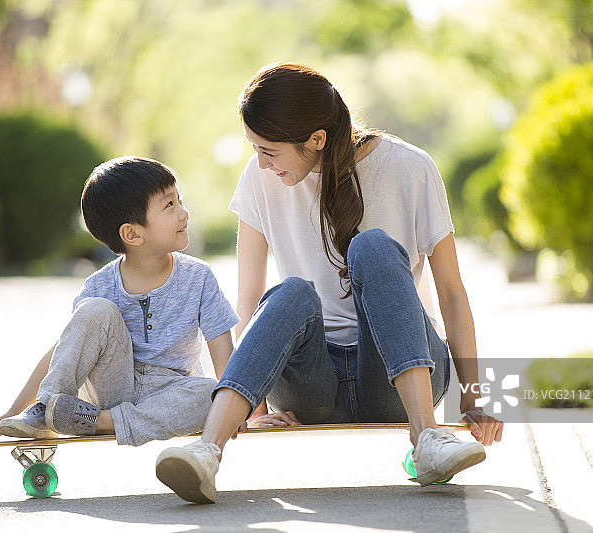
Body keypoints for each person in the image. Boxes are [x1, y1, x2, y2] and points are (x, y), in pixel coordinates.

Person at [154, 63, 504, 503]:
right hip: (309, 385)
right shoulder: (260, 179)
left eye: (270, 151)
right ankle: (207, 452)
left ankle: (427, 438)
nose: (261, 163)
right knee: (291, 292)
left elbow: (452, 295)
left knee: (373, 247)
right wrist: (255, 407)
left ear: (316, 139)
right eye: (255, 148)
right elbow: (249, 301)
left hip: (397, 382)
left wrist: (472, 401)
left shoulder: (411, 168)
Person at [0, 156, 240, 447]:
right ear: (132, 233)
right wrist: (14, 410)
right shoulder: (99, 285)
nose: (184, 213)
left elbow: (222, 349)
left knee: (215, 395)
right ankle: (46, 411)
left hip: (171, 392)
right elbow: (64, 350)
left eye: (180, 200)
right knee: (96, 309)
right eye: (170, 205)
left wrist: (238, 410)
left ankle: (102, 422)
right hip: (112, 385)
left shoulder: (198, 277)